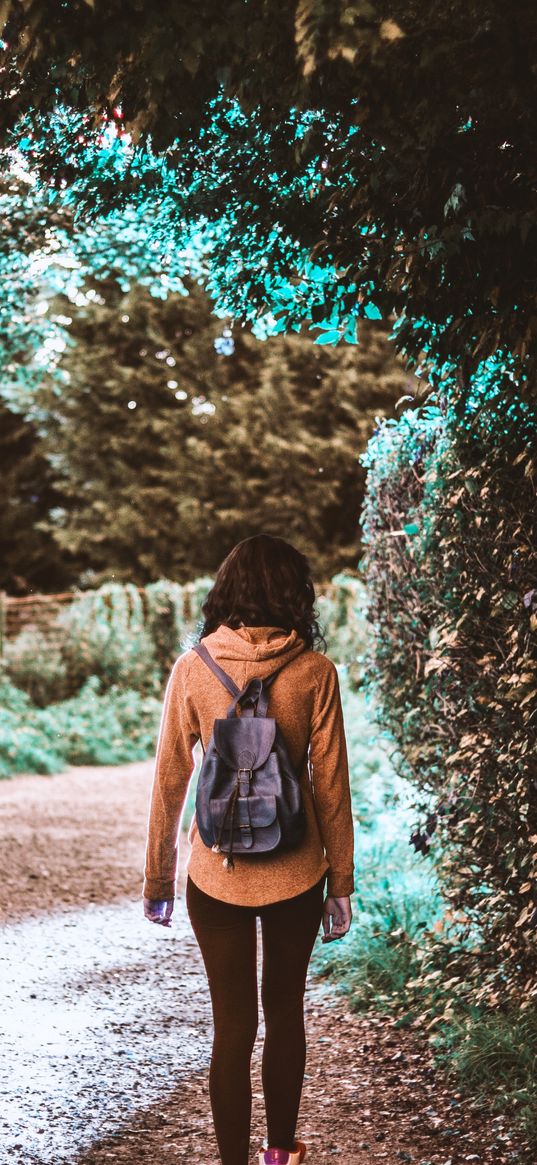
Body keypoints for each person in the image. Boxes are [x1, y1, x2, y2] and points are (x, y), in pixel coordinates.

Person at [143, 533, 354, 1165]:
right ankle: (279, 1154)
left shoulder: (193, 668)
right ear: (296, 593)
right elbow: (331, 783)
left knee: (232, 1024)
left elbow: (169, 780)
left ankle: (234, 1159)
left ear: (226, 590)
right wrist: (339, 882)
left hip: (216, 875)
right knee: (284, 1012)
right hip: (297, 873)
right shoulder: (315, 671)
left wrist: (158, 881)